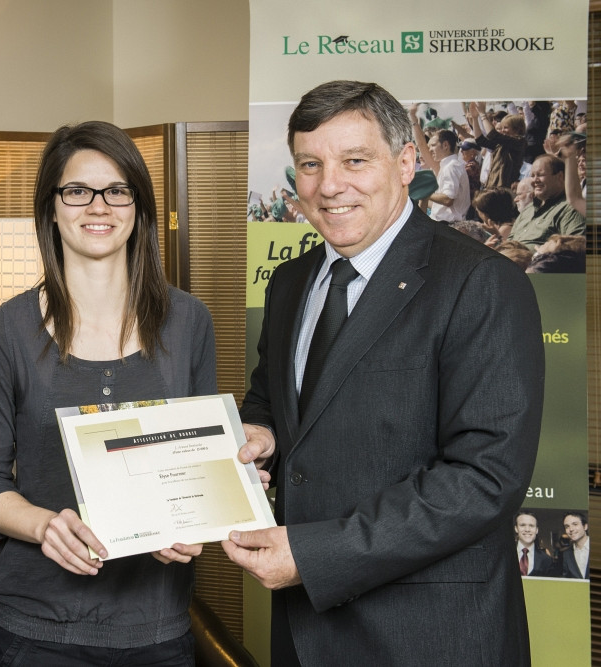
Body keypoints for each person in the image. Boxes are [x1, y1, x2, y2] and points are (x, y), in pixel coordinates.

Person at [223, 80, 544, 665]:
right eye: (311, 165)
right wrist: (261, 432)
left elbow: (485, 478)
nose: (329, 185)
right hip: (304, 631)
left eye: (354, 160)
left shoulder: (482, 283)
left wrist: (316, 555)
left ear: (404, 163)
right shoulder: (291, 283)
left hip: (428, 634)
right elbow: (271, 399)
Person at [0, 121, 216, 666]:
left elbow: (200, 465)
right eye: (78, 191)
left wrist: (192, 519)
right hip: (36, 635)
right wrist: (43, 525)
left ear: (138, 206)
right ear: (51, 208)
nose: (98, 207)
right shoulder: (4, 333)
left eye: (117, 190)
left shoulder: (189, 323)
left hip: (157, 633)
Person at [508, 154, 586, 251]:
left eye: (540, 175)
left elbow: (576, 248)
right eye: (532, 175)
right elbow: (509, 242)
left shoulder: (571, 208)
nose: (535, 180)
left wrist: (544, 254)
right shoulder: (528, 209)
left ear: (560, 177)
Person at [409, 106, 470, 222]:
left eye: (432, 145)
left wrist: (425, 192)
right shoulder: (444, 166)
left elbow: (448, 199)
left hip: (449, 225)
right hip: (441, 223)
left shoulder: (452, 166)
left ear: (445, 145)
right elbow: (422, 146)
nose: (429, 150)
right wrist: (413, 120)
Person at [514, 512, 557, 577]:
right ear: (516, 529)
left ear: (537, 530)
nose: (527, 530)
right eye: (522, 525)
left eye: (531, 526)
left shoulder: (547, 560)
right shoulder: (504, 555)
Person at [560, 512, 590, 579]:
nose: (571, 529)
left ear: (585, 526)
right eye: (567, 526)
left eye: (575, 524)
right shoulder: (566, 554)